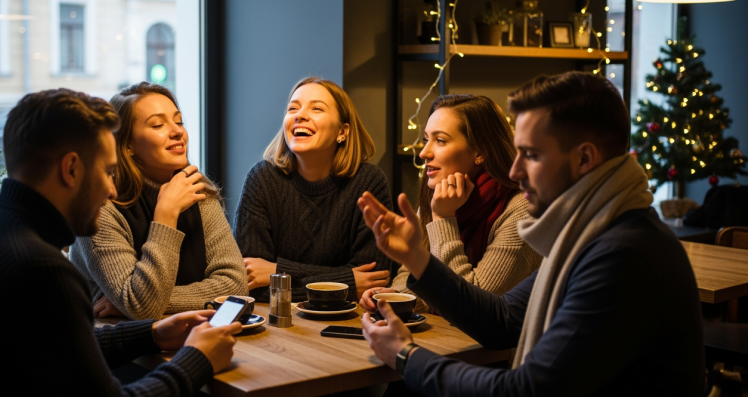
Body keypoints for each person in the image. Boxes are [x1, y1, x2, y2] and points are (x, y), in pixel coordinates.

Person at [357, 71, 705, 396]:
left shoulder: (623, 253)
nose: (515, 170)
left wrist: (407, 357)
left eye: (531, 155)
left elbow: (526, 390)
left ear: (584, 159)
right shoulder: (591, 234)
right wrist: (417, 257)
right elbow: (503, 320)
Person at [0, 89, 242, 395]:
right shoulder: (39, 268)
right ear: (71, 169)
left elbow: (54, 344)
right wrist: (198, 358)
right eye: (108, 172)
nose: (112, 190)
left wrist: (149, 332)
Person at [70, 82, 248, 320]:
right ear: (127, 144)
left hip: (189, 332)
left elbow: (235, 285)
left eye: (179, 121)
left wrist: (138, 302)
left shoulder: (195, 187)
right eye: (158, 124)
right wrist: (166, 213)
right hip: (116, 348)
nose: (177, 132)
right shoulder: (102, 205)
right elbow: (140, 306)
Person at [360, 95, 540, 314]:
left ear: (480, 152)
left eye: (441, 140)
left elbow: (473, 306)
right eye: (426, 139)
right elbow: (413, 271)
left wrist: (444, 220)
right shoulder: (438, 194)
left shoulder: (521, 210)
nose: (424, 152)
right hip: (446, 337)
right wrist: (397, 298)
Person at [235, 77, 393, 302]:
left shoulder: (368, 182)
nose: (300, 115)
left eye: (317, 108)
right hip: (278, 327)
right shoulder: (262, 180)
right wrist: (347, 283)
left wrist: (277, 272)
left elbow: (373, 280)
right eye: (293, 108)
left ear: (343, 131)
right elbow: (251, 283)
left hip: (351, 324)